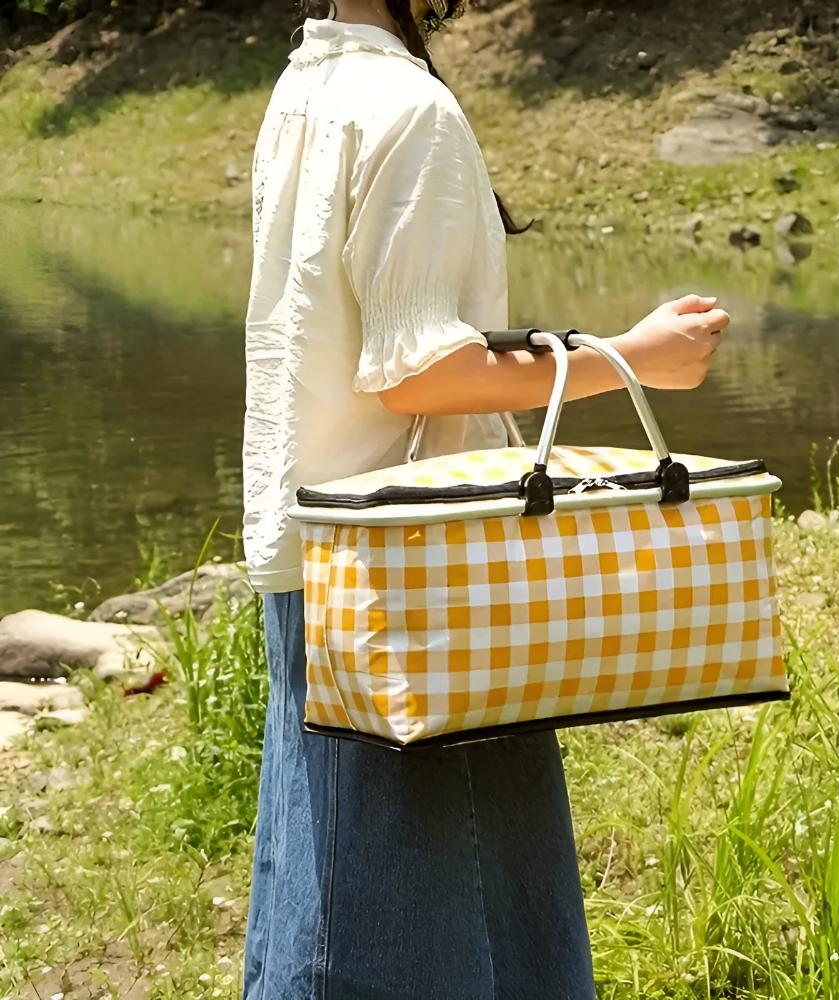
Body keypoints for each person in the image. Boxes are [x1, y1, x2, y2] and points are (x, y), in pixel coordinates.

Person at [240, 1, 730, 997]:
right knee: (421, 929)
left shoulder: (306, 86)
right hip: (417, 573)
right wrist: (630, 359)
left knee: (331, 891)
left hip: (323, 545)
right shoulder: (409, 108)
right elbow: (420, 372)